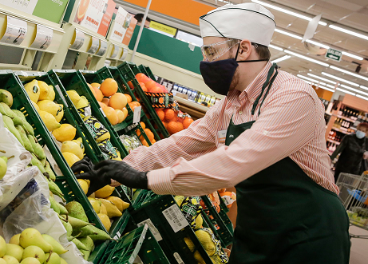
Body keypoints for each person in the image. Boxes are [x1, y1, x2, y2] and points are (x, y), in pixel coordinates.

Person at [73, 3, 350, 263]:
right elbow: (179, 145)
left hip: (309, 235)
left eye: (211, 53)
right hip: (258, 228)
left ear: (243, 49)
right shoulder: (230, 104)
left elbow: (235, 162)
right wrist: (116, 170)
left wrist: (146, 179)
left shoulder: (294, 98)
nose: (205, 62)